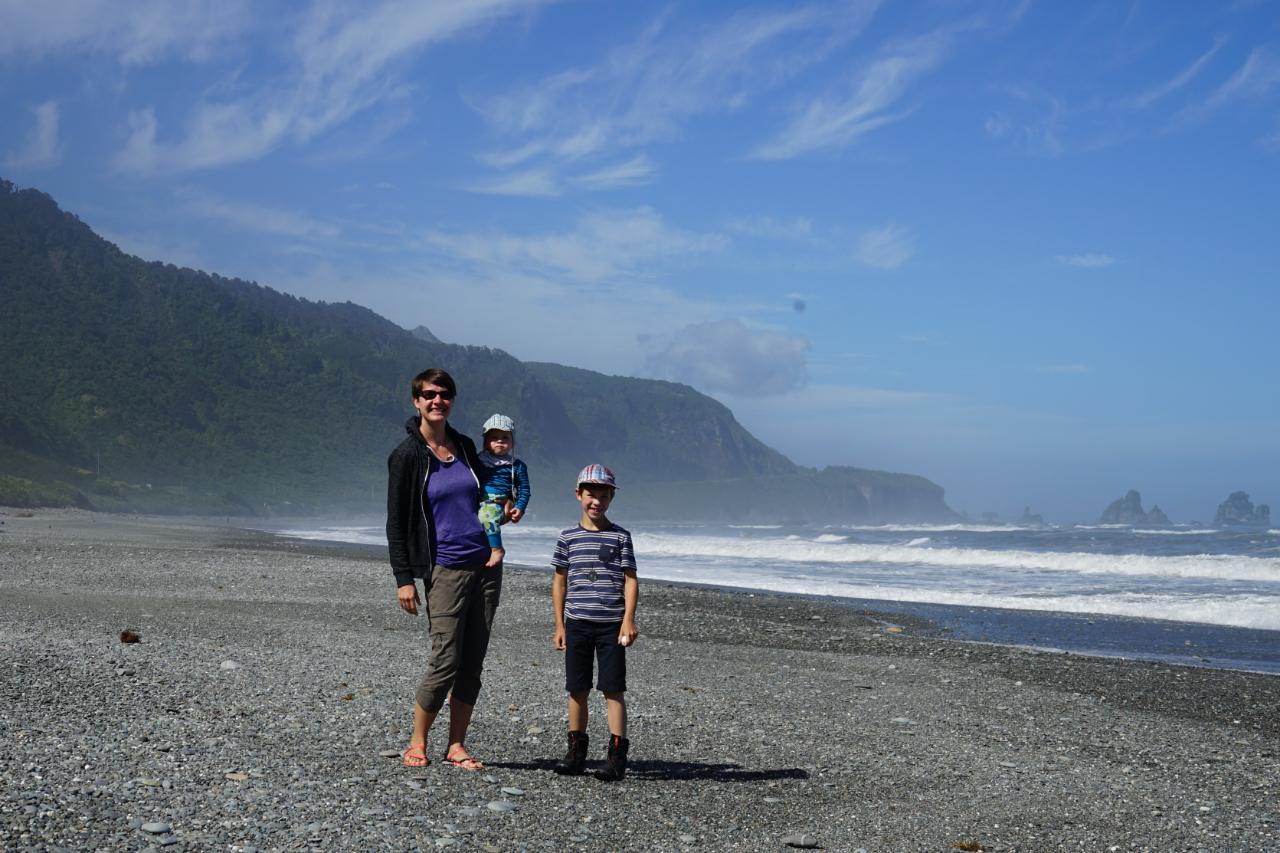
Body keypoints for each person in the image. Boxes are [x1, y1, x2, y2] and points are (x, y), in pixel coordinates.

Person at [386, 368, 500, 771]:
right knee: (445, 657)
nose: (438, 400)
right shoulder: (407, 456)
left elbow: (486, 498)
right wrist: (404, 579)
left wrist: (504, 517)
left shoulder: (466, 446)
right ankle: (417, 742)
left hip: (484, 565)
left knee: (473, 660)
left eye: (445, 394)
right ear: (416, 401)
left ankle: (457, 745)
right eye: (429, 394)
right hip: (443, 567)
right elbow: (397, 522)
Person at [550, 464, 639, 782]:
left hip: (611, 626)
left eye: (603, 496)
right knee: (577, 689)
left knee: (613, 689)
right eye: (591, 495)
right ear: (578, 495)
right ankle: (576, 753)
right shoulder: (568, 538)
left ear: (611, 498)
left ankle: (616, 758)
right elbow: (559, 582)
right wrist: (559, 626)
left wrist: (628, 621)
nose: (596, 501)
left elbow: (630, 580)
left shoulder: (620, 537)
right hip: (577, 624)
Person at [475, 413, 532, 569]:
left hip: (498, 503)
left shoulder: (517, 466)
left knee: (487, 515)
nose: (500, 440)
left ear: (513, 442)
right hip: (479, 501)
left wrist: (519, 507)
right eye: (494, 437)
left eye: (505, 437)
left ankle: (497, 549)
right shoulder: (477, 461)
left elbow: (524, 490)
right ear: (485, 441)